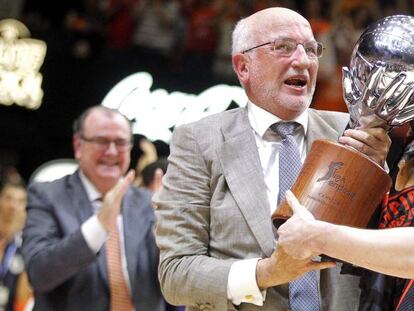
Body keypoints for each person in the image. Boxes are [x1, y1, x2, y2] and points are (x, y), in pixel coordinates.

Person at [154, 7, 391, 310]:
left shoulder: (354, 134)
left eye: (310, 49)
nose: (303, 60)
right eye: (284, 48)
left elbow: (391, 250)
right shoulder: (199, 141)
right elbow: (176, 275)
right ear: (243, 67)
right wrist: (266, 273)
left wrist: (379, 175)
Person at [22, 106, 165, 310]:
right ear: (78, 145)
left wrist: (170, 230)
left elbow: (169, 283)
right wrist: (99, 226)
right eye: (101, 141)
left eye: (120, 142)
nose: (112, 151)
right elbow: (39, 274)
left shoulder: (147, 202)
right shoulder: (47, 196)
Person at [0, 178, 32, 311]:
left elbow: (23, 299)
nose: (12, 206)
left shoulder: (28, 245)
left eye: (20, 201)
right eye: (8, 198)